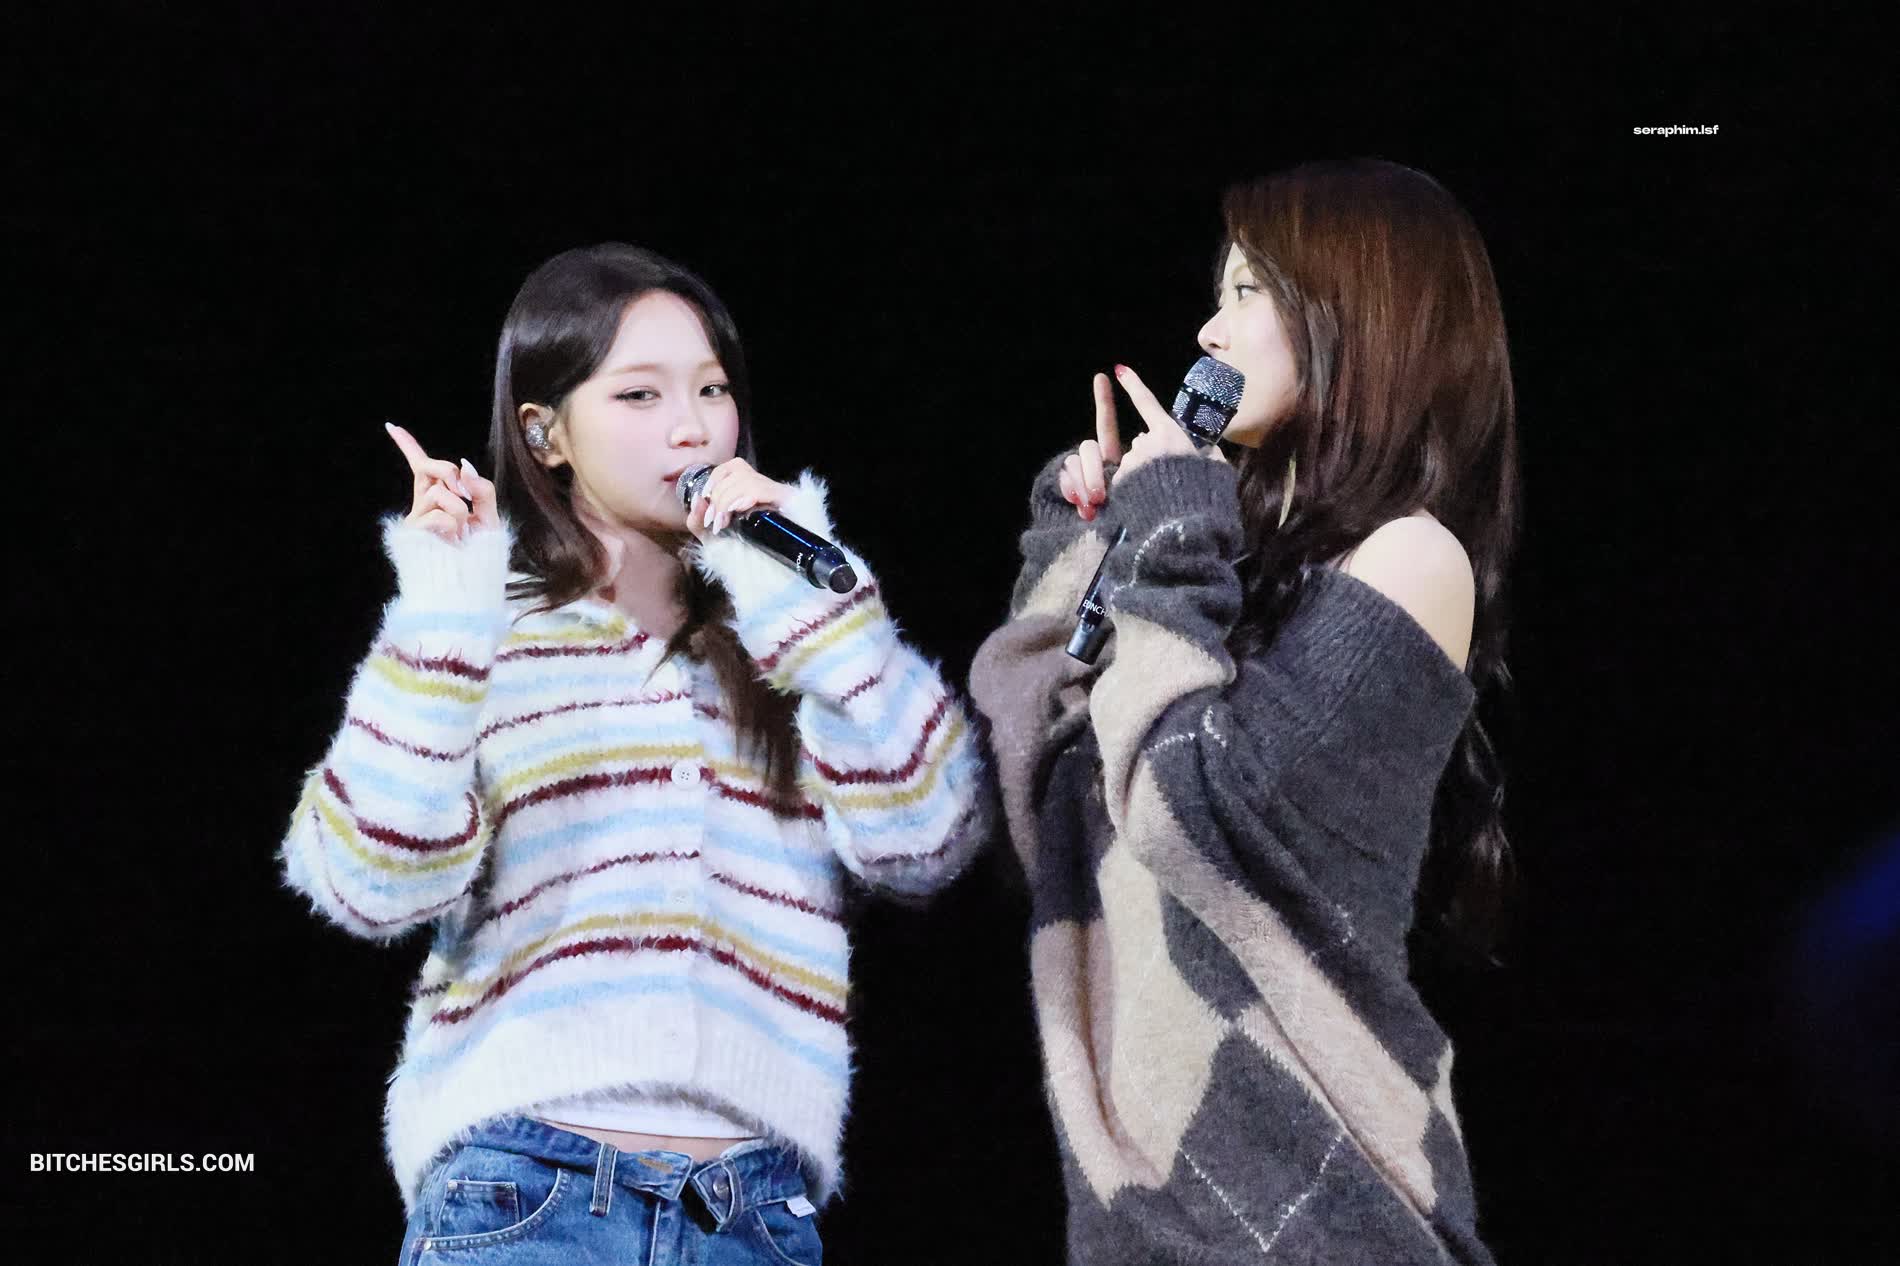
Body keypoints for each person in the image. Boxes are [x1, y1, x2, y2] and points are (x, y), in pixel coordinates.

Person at [278, 243, 991, 1264]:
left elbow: (927, 843)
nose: (691, 427)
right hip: (524, 1189)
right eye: (641, 394)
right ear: (545, 432)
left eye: (712, 390)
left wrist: (820, 611)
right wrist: (442, 612)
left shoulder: (785, 631)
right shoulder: (487, 625)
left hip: (752, 1210)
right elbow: (368, 883)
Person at [969, 158, 1516, 1264]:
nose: (1209, 332)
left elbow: (1188, 812)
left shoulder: (1411, 560)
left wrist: (1171, 538)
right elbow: (1032, 805)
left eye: (1249, 291)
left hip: (1322, 1206)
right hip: (1141, 1215)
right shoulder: (1214, 578)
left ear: (1359, 311)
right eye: (1218, 294)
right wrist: (1086, 545)